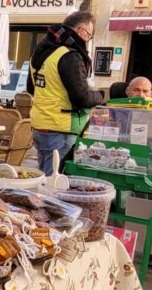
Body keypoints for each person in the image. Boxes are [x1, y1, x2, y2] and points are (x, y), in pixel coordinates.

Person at [28, 11, 104, 175]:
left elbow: (31, 87)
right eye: (89, 36)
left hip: (40, 123)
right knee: (55, 180)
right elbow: (81, 97)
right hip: (61, 126)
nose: (87, 40)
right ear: (82, 31)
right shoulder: (70, 55)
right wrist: (100, 96)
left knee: (45, 174)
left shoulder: (41, 51)